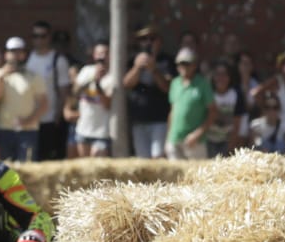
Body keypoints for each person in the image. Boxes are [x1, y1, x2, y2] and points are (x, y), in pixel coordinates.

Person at [0, 36, 48, 164]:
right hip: (5, 129)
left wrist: (29, 120)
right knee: (7, 168)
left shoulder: (33, 76)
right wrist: (1, 77)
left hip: (28, 130)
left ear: (24, 54)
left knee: (27, 167)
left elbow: (44, 104)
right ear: (6, 54)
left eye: (19, 51)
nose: (15, 55)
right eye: (12, 51)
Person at [26, 21, 74, 161]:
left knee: (50, 159)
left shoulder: (58, 60)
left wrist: (58, 116)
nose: (39, 40)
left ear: (48, 38)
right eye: (35, 36)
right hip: (30, 119)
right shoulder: (28, 59)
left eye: (42, 36)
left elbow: (64, 91)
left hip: (51, 119)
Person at [124, 27, 174, 159]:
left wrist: (154, 69)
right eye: (143, 39)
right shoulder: (132, 61)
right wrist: (137, 67)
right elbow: (126, 85)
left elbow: (167, 88)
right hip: (139, 121)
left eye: (152, 39)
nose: (148, 42)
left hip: (160, 120)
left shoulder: (166, 61)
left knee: (158, 158)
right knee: (143, 161)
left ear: (159, 42)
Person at [67, 43, 116, 158]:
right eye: (99, 53)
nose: (102, 57)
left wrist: (98, 84)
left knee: (97, 162)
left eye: (105, 53)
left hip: (102, 132)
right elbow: (75, 92)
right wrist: (92, 79)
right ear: (94, 55)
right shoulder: (86, 71)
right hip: (83, 129)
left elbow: (107, 104)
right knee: (86, 169)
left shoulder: (113, 76)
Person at [165, 47, 213, 161]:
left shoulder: (203, 84)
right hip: (174, 139)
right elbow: (173, 111)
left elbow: (213, 112)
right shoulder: (175, 83)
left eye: (187, 63)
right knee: (175, 177)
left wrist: (197, 134)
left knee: (198, 176)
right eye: (180, 64)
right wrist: (168, 137)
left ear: (194, 65)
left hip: (195, 141)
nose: (183, 67)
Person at [203, 60, 243, 158]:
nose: (221, 78)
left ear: (229, 77)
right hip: (209, 140)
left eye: (224, 74)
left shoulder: (235, 95)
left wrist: (231, 145)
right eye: (218, 74)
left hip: (226, 141)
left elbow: (237, 122)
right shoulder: (208, 93)